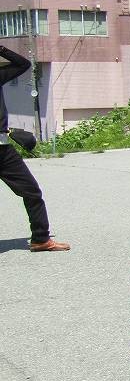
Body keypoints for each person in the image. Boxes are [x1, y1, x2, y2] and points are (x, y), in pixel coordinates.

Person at [0, 44, 70, 252]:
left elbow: (23, 64)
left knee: (31, 191)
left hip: (3, 150)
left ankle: (40, 239)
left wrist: (1, 49)